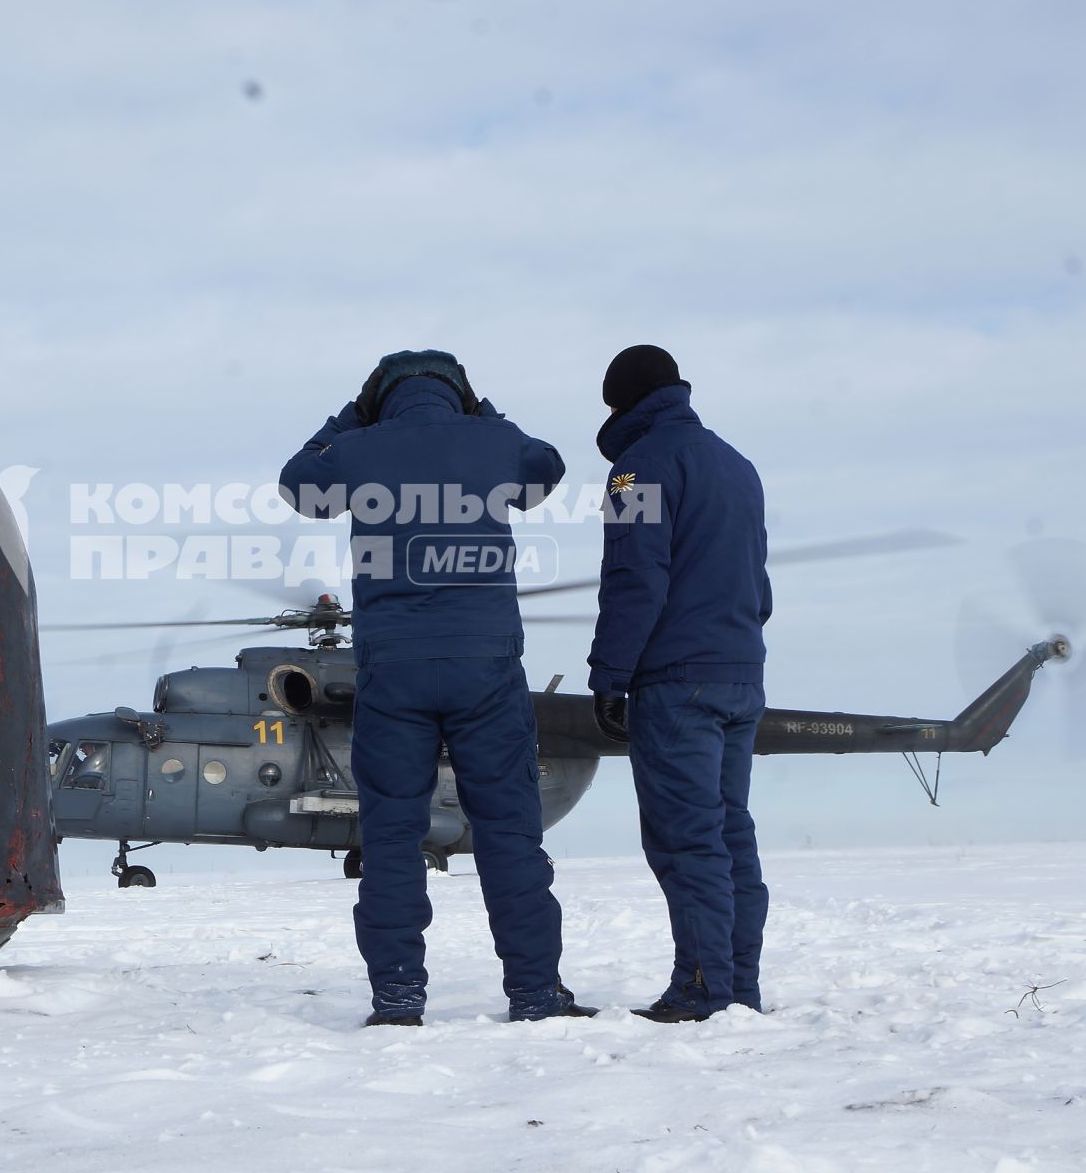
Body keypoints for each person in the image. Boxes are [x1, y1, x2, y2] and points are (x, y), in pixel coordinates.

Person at [280, 350, 591, 1027]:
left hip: (395, 671)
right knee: (510, 831)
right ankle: (535, 992)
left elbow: (298, 483)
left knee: (392, 835)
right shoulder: (496, 440)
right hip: (487, 667)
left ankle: (397, 996)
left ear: (378, 399)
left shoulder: (358, 447)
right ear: (459, 393)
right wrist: (485, 417)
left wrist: (347, 420)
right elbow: (547, 468)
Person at [586, 344, 771, 1022]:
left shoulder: (639, 468)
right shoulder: (738, 467)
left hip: (677, 682)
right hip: (740, 677)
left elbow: (636, 576)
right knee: (730, 837)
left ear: (621, 403)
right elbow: (759, 582)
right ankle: (738, 989)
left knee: (687, 840)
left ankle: (701, 988)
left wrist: (610, 675)